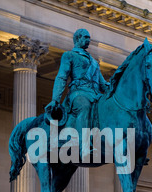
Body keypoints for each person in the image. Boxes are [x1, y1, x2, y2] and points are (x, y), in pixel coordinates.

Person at [46, 29, 109, 157]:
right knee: (84, 106)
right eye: (86, 37)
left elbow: (103, 84)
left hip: (95, 95)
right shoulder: (70, 55)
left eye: (89, 37)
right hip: (78, 93)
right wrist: (55, 99)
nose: (88, 40)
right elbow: (62, 77)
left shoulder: (94, 62)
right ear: (77, 39)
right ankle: (83, 146)